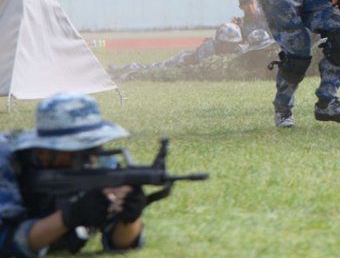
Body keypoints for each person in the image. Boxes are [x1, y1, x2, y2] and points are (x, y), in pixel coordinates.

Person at [1, 94, 146, 257]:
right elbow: (6, 241)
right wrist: (70, 216)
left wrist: (129, 217)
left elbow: (120, 244)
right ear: (44, 151)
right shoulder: (7, 162)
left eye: (93, 146)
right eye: (77, 150)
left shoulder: (101, 165)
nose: (90, 159)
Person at [108, 23, 244, 80]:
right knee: (155, 68)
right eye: (228, 44)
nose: (231, 47)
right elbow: (205, 67)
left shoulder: (236, 49)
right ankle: (123, 71)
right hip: (182, 62)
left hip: (188, 67)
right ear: (220, 41)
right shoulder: (208, 47)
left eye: (233, 44)